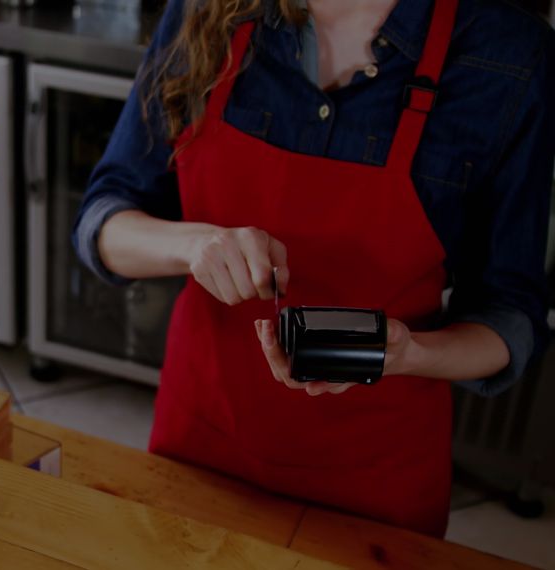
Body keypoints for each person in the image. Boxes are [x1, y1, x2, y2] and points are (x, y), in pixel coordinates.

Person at [74, 0, 555, 536]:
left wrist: (412, 352)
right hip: (202, 439)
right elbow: (103, 221)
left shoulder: (509, 56)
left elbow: (510, 312)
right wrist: (194, 244)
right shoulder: (207, 11)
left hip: (374, 477)